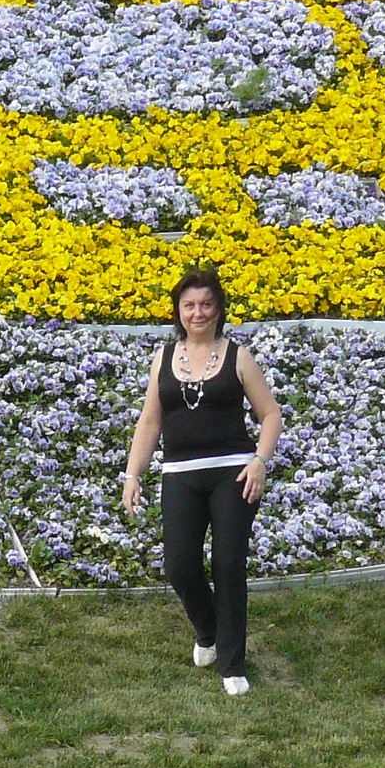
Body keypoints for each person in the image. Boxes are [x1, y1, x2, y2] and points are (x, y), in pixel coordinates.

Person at [121, 268, 283, 696]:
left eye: (206, 304)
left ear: (218, 309)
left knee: (228, 565)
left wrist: (260, 461)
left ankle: (232, 663)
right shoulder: (163, 358)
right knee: (179, 566)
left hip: (233, 474)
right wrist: (133, 474)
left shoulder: (238, 357)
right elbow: (150, 421)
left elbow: (270, 414)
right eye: (189, 305)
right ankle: (208, 630)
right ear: (178, 310)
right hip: (180, 475)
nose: (198, 313)